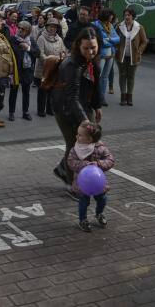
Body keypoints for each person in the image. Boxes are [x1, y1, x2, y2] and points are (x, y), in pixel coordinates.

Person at [50, 28, 102, 195]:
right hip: (65, 108)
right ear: (79, 45)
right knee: (74, 145)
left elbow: (95, 86)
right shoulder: (71, 65)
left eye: (93, 47)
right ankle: (72, 184)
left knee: (87, 143)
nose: (91, 51)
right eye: (86, 48)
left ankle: (62, 169)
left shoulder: (92, 61)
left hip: (83, 104)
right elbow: (72, 98)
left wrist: (97, 105)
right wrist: (85, 121)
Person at [67, 121, 114, 232]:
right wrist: (84, 164)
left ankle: (99, 214)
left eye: (80, 135)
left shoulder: (100, 148)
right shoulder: (75, 149)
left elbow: (110, 160)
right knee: (84, 202)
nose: (76, 136)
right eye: (77, 134)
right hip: (82, 183)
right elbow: (70, 162)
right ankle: (83, 219)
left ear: (89, 139)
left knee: (102, 199)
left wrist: (99, 164)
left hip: (98, 182)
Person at [115, 7, 148, 107]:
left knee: (131, 76)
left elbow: (144, 41)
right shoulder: (119, 26)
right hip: (121, 56)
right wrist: (117, 48)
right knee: (122, 75)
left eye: (128, 15)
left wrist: (139, 51)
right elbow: (114, 38)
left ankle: (130, 97)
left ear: (133, 16)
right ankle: (123, 97)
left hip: (134, 56)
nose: (126, 17)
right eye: (125, 15)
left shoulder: (139, 27)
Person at [9, 21, 39, 121]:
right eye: (19, 28)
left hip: (27, 70)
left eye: (23, 29)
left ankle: (25, 112)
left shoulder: (31, 40)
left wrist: (28, 48)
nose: (20, 30)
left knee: (26, 92)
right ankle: (11, 112)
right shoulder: (13, 39)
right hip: (16, 69)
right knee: (13, 91)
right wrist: (22, 48)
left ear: (28, 31)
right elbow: (13, 51)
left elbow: (37, 53)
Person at [35, 17, 65, 117]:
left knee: (52, 90)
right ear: (47, 27)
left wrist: (62, 58)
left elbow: (63, 52)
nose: (52, 29)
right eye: (50, 26)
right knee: (43, 90)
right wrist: (51, 61)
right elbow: (40, 54)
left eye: (54, 27)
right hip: (43, 68)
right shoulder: (41, 38)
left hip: (55, 68)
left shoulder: (59, 39)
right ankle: (40, 110)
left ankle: (49, 109)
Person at [92, 9, 120, 107]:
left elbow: (118, 39)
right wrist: (110, 41)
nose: (112, 17)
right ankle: (94, 96)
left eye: (112, 16)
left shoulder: (110, 25)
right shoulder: (95, 25)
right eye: (110, 15)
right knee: (97, 76)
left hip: (110, 55)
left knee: (104, 77)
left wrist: (109, 39)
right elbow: (99, 41)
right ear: (105, 15)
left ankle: (102, 97)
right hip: (101, 55)